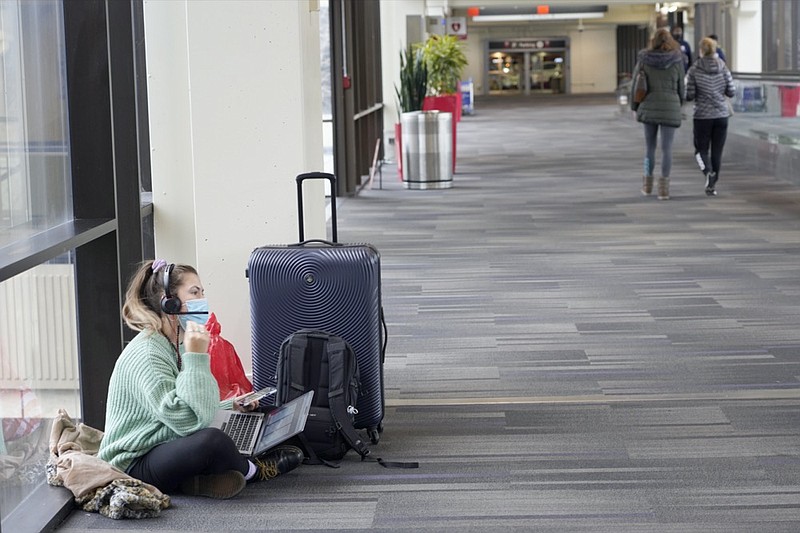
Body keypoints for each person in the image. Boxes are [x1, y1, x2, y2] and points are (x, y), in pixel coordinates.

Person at [97, 259, 304, 499]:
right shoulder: (149, 354)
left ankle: (195, 481)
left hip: (166, 441)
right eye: (194, 293)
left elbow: (190, 409)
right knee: (212, 441)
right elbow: (188, 422)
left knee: (267, 414)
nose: (202, 300)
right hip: (135, 462)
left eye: (202, 292)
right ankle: (254, 471)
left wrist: (230, 406)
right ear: (170, 303)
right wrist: (197, 357)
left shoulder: (175, 342)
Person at [630, 28, 685, 200]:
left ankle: (647, 186)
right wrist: (679, 105)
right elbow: (681, 87)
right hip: (670, 107)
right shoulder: (677, 60)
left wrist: (635, 107)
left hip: (649, 105)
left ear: (654, 40)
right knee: (667, 149)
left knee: (650, 148)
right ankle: (664, 189)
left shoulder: (644, 59)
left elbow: (635, 85)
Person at [685, 37, 735, 196]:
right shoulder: (723, 67)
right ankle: (712, 185)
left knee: (700, 151)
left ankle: (708, 173)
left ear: (701, 50)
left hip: (702, 116)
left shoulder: (694, 69)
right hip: (721, 115)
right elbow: (731, 91)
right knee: (717, 152)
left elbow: (690, 95)